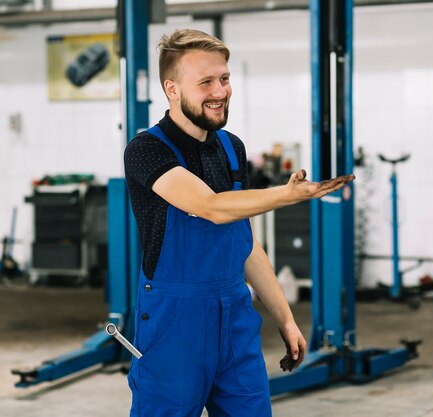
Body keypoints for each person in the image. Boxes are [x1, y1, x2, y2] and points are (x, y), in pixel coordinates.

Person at [123, 29, 354, 417]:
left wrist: (286, 318)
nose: (221, 91)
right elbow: (210, 207)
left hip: (235, 318)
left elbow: (243, 242)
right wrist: (287, 194)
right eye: (206, 82)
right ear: (172, 88)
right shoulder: (147, 150)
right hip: (174, 322)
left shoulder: (232, 149)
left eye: (225, 79)